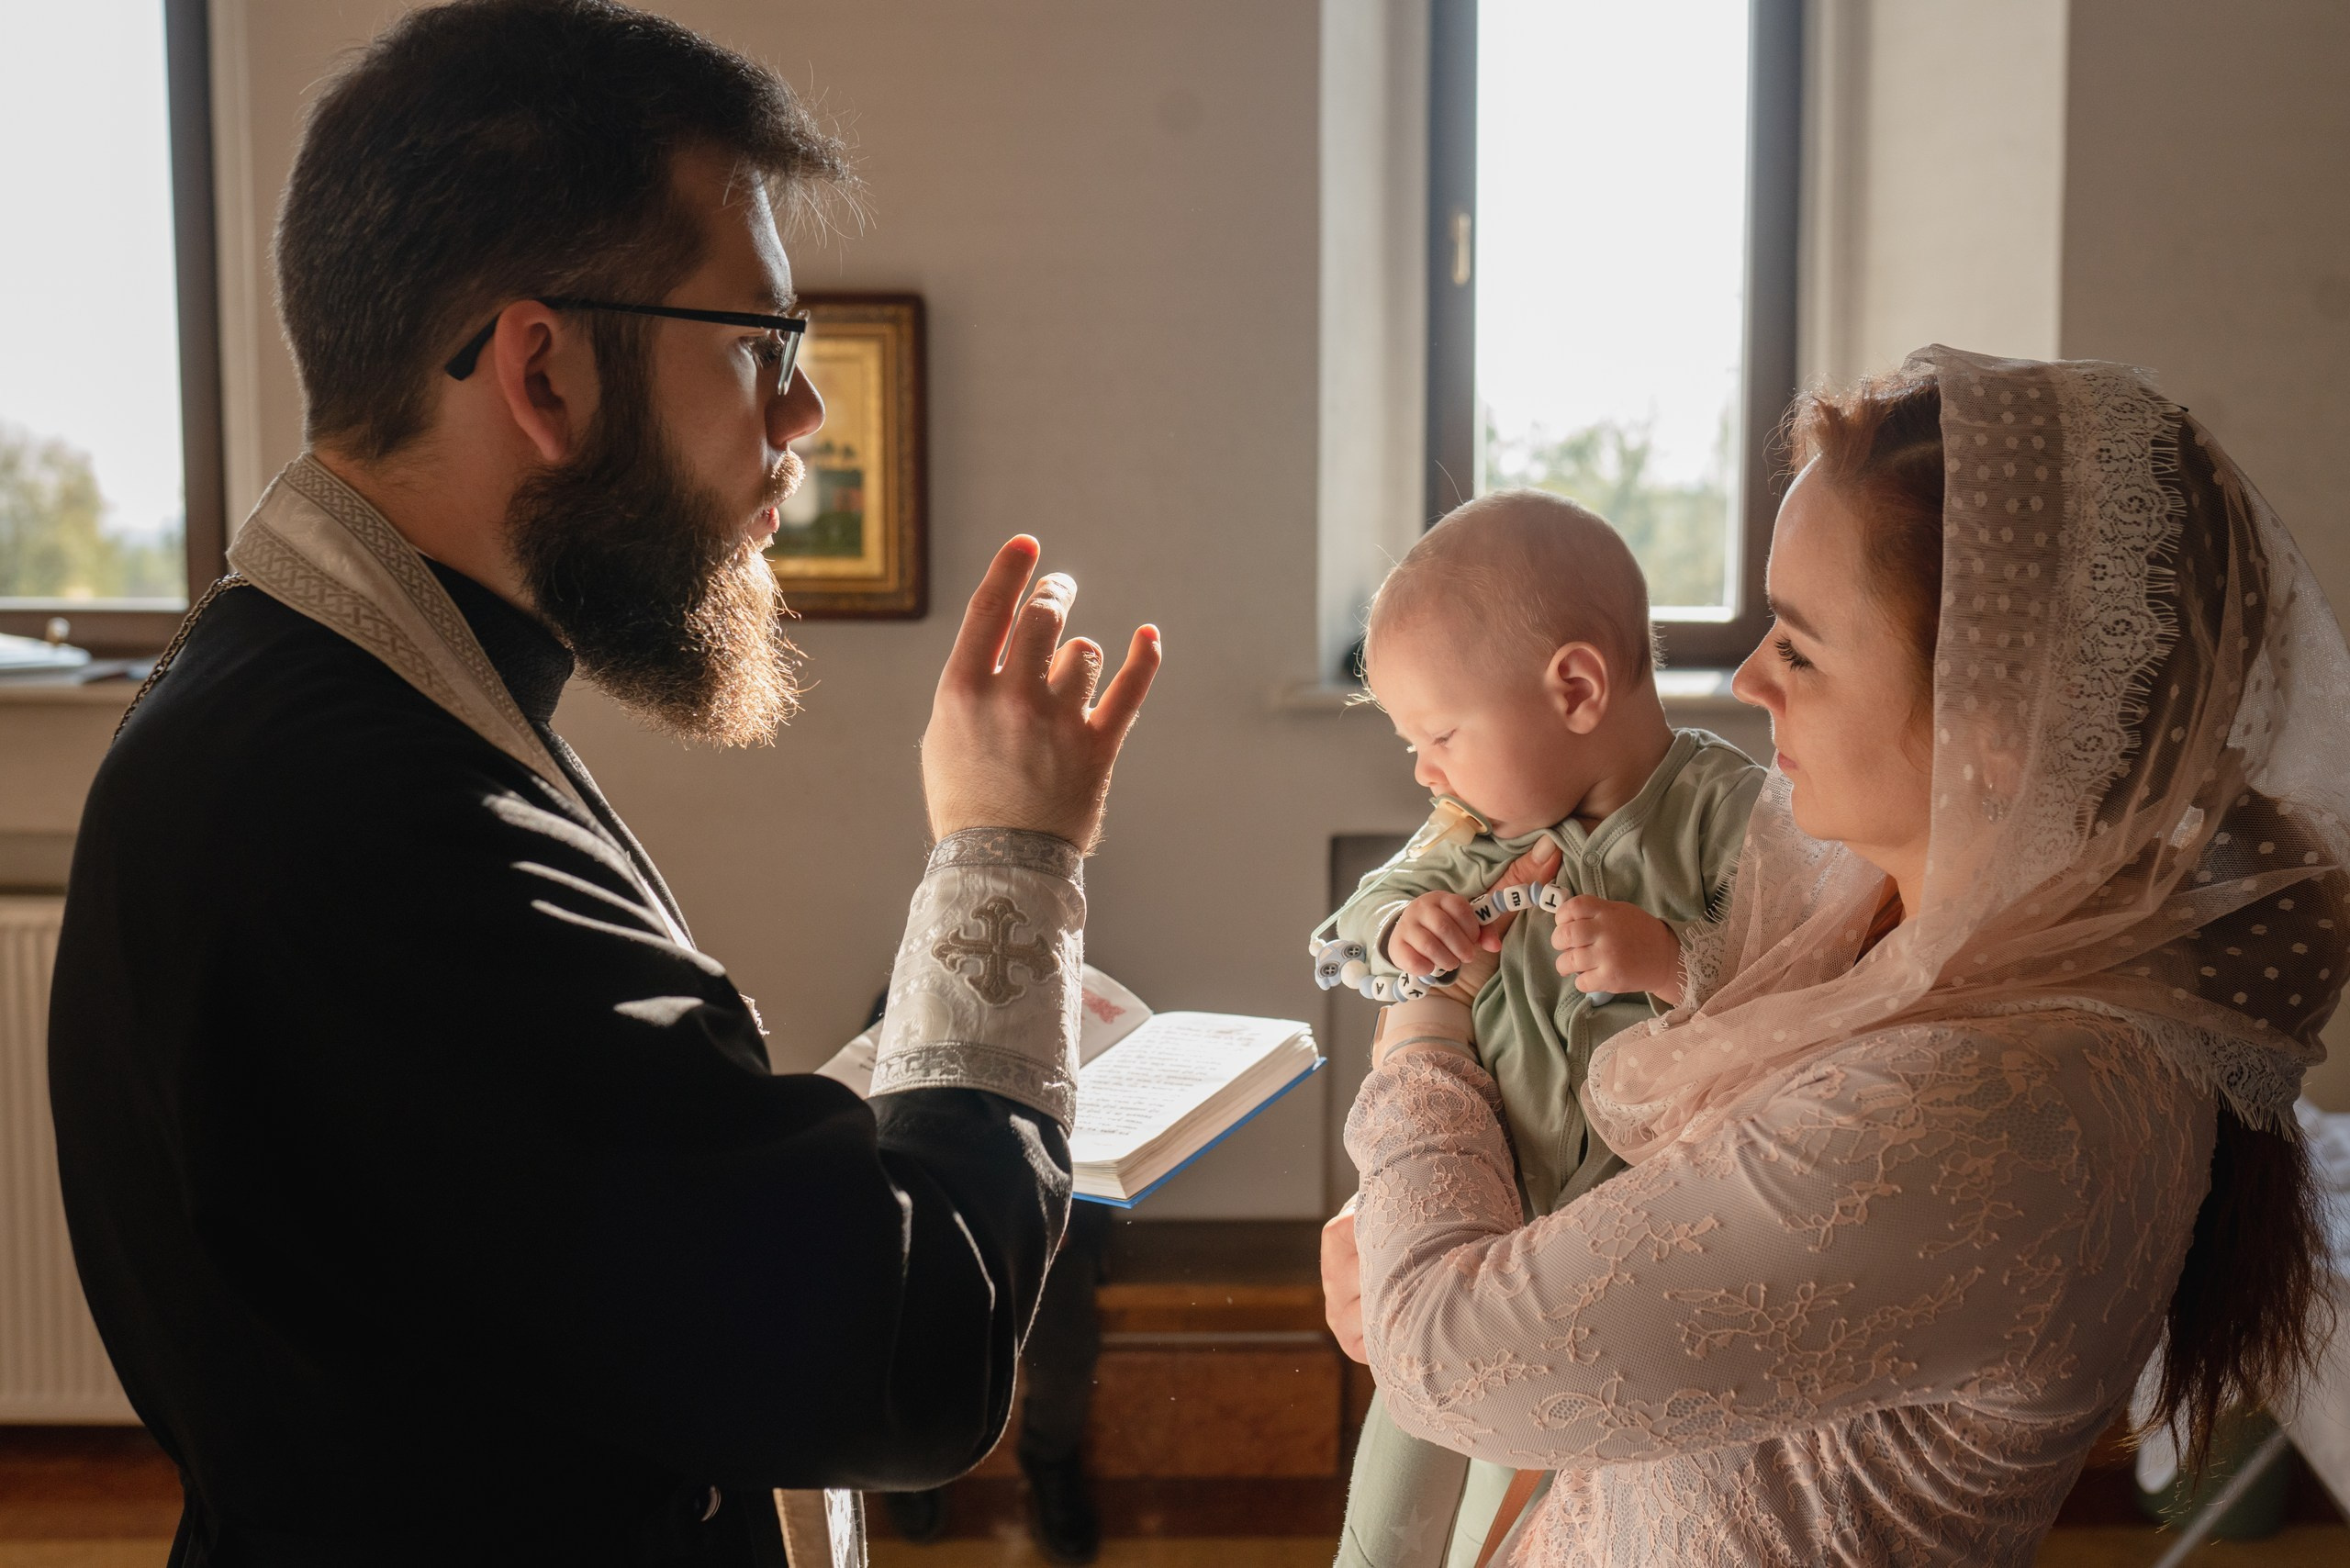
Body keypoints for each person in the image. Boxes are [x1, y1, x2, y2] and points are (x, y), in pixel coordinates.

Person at [45, 4, 1158, 1565]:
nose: (805, 418)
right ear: (545, 368)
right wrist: (1008, 857)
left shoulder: (303, 696)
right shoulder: (383, 824)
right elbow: (896, 1352)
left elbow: (564, 1209)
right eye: (763, 344)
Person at [1322, 344, 2348, 1564]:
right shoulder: (1891, 922)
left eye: (1801, 648)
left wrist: (1427, 1014)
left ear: (1998, 718)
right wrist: (1423, 1229)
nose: (1749, 679)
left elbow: (1447, 1357)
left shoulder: (1991, 1104)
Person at [1312, 492, 1760, 1568]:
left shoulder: (1723, 810)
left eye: (1439, 734)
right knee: (1393, 1498)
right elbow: (1336, 949)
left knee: (1520, 1518)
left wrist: (1667, 960)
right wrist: (1400, 926)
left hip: (1608, 1266)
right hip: (1467, 1218)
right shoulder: (1470, 828)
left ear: (1573, 687)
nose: (1423, 770)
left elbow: (1792, 987)